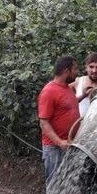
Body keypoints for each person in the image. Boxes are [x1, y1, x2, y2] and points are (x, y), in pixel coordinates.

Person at [38, 55, 80, 184]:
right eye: (75, 69)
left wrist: (84, 95)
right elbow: (43, 123)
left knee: (67, 185)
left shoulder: (67, 88)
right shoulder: (49, 91)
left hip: (69, 145)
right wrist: (60, 142)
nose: (77, 72)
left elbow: (66, 108)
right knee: (54, 185)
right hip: (55, 148)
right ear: (67, 71)